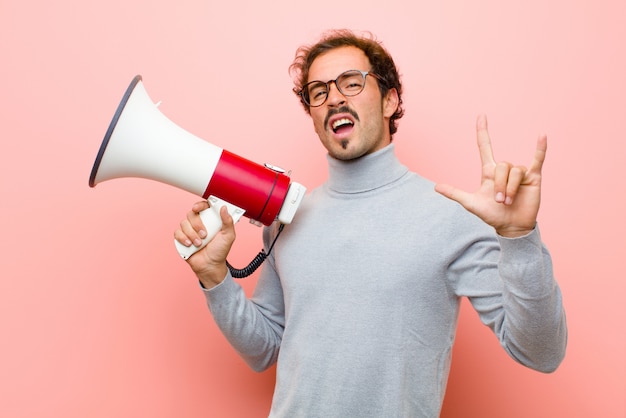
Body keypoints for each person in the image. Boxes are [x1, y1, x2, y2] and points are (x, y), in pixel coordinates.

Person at [174, 29, 567, 417]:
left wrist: (519, 238)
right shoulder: (285, 221)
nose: (334, 99)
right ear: (312, 113)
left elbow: (542, 352)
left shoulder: (452, 216)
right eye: (319, 92)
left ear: (390, 100)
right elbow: (263, 350)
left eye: (351, 83)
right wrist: (215, 278)